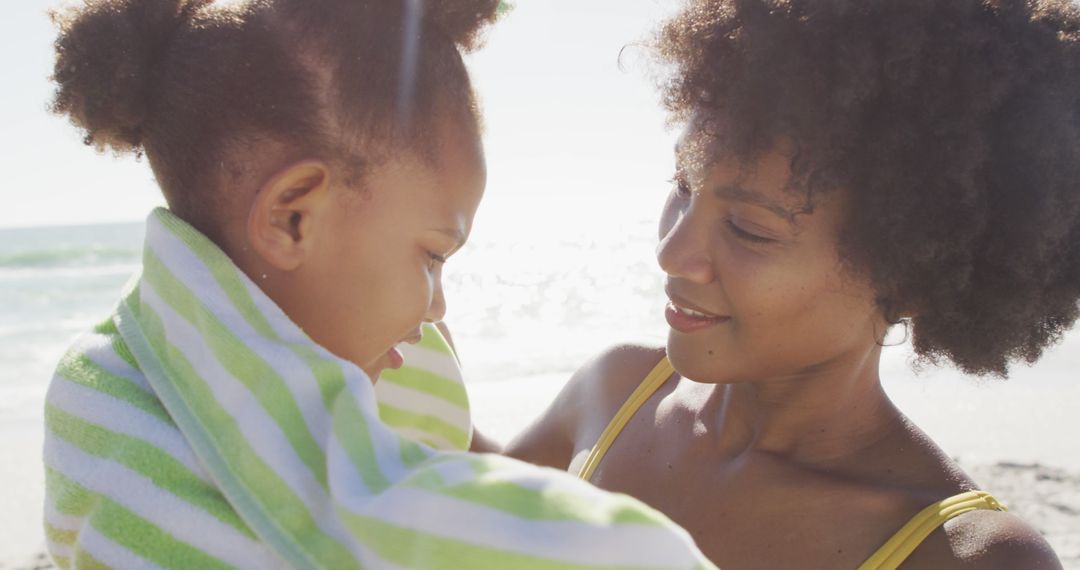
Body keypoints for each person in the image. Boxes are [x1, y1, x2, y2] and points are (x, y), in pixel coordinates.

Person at [42, 0, 717, 567]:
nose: (437, 307)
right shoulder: (108, 401)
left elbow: (451, 465)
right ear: (293, 216)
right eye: (431, 257)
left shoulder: (401, 363)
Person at [506, 0, 1080, 567]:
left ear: (910, 274)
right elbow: (447, 495)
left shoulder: (964, 558)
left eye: (749, 229)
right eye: (682, 185)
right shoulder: (615, 394)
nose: (672, 253)